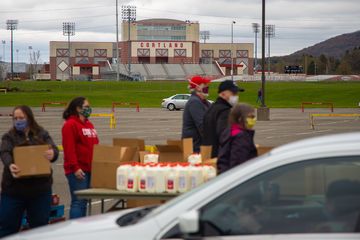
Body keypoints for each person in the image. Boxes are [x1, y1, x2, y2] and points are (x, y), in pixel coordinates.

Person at [0, 105, 59, 237]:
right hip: (14, 192)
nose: (18, 121)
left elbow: (54, 149)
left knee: (39, 230)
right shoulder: (9, 137)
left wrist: (52, 153)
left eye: (21, 118)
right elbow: (4, 152)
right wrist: (10, 164)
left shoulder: (42, 134)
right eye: (15, 118)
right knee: (7, 227)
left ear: (29, 118)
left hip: (40, 191)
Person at [62, 97, 99, 219]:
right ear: (78, 108)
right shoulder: (70, 125)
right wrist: (75, 168)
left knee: (84, 202)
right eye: (86, 106)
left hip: (90, 169)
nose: (89, 109)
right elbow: (69, 149)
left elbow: (95, 145)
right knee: (78, 202)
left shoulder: (89, 124)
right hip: (77, 170)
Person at [203, 80, 244, 158]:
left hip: (210, 154)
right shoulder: (225, 111)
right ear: (223, 93)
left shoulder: (212, 108)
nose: (236, 96)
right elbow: (225, 135)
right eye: (233, 93)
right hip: (222, 156)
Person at [217, 103, 258, 174]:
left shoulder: (230, 131)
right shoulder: (241, 137)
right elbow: (239, 162)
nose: (253, 120)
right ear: (240, 119)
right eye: (250, 117)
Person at [182, 75, 211, 153]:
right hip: (195, 147)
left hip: (199, 144)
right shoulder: (194, 102)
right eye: (205, 86)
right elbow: (202, 125)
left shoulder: (205, 102)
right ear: (198, 87)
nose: (207, 88)